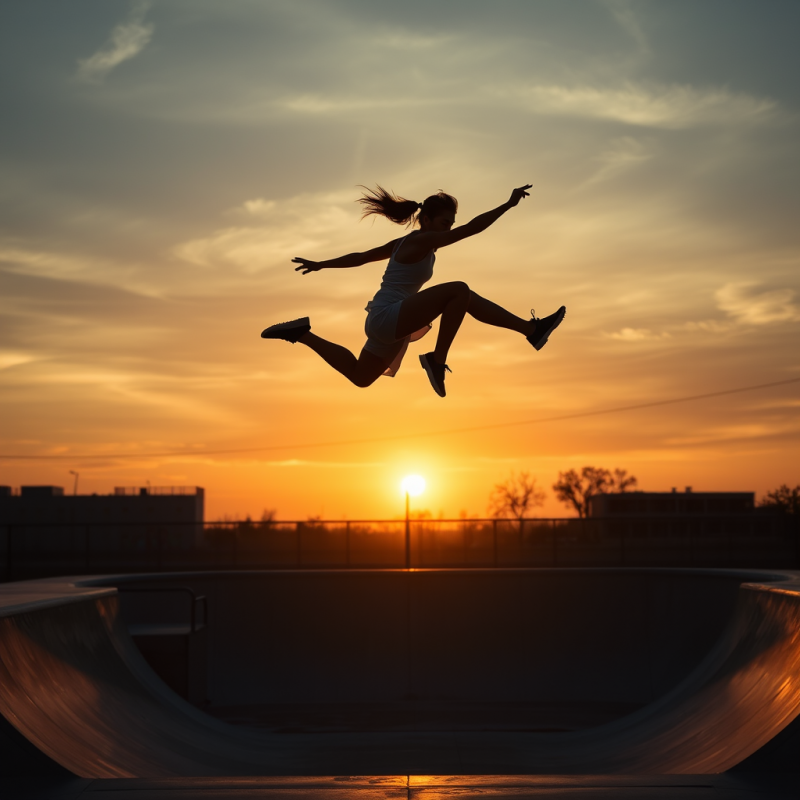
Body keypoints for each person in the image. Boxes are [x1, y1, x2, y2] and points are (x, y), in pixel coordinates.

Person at [261, 184, 565, 397]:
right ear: (427, 219)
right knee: (459, 291)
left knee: (361, 376)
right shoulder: (420, 241)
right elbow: (471, 229)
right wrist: (508, 205)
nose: (447, 229)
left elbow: (362, 257)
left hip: (390, 322)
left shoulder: (404, 244)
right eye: (444, 223)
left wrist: (322, 264)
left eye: (450, 225)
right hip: (387, 316)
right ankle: (438, 359)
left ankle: (302, 334)